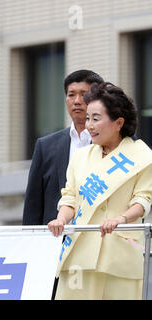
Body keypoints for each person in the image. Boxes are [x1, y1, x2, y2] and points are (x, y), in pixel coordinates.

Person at [48, 82, 152, 300]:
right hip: (79, 254)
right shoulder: (80, 157)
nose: (89, 126)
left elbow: (143, 200)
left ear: (118, 123)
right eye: (88, 118)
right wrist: (61, 219)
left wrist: (121, 218)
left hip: (121, 254)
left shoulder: (141, 156)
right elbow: (69, 197)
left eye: (96, 119)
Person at [23, 70, 104, 225]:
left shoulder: (115, 143)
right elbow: (33, 205)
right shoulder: (45, 146)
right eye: (71, 95)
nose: (77, 101)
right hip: (55, 240)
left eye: (84, 94)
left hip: (98, 237)